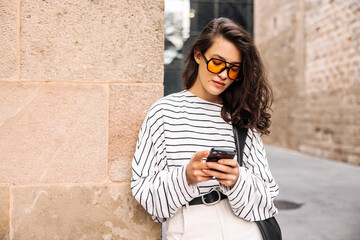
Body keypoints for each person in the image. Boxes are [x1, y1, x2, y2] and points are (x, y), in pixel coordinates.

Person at [131, 17, 279, 240]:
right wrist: (186, 177)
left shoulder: (241, 116)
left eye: (234, 69)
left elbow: (266, 199)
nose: (223, 75)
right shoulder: (163, 112)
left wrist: (237, 179)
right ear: (198, 55)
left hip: (244, 228)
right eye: (217, 62)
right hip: (189, 227)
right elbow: (144, 192)